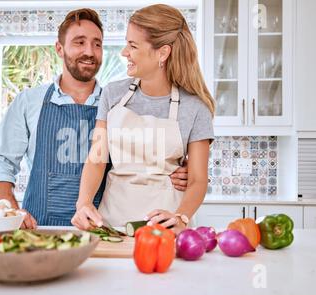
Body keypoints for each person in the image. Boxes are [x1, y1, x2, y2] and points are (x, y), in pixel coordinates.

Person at [0, 8, 189, 228]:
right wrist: (11, 209)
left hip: (104, 229)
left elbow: (148, 153)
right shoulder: (29, 101)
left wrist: (178, 169)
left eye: (97, 44)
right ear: (59, 49)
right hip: (40, 229)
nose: (89, 52)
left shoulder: (122, 104)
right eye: (79, 42)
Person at [73, 4, 215, 234]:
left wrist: (181, 217)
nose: (124, 52)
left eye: (133, 45)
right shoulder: (113, 94)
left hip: (166, 226)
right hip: (112, 221)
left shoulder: (195, 108)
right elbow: (97, 158)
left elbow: (198, 179)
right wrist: (84, 203)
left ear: (162, 53)